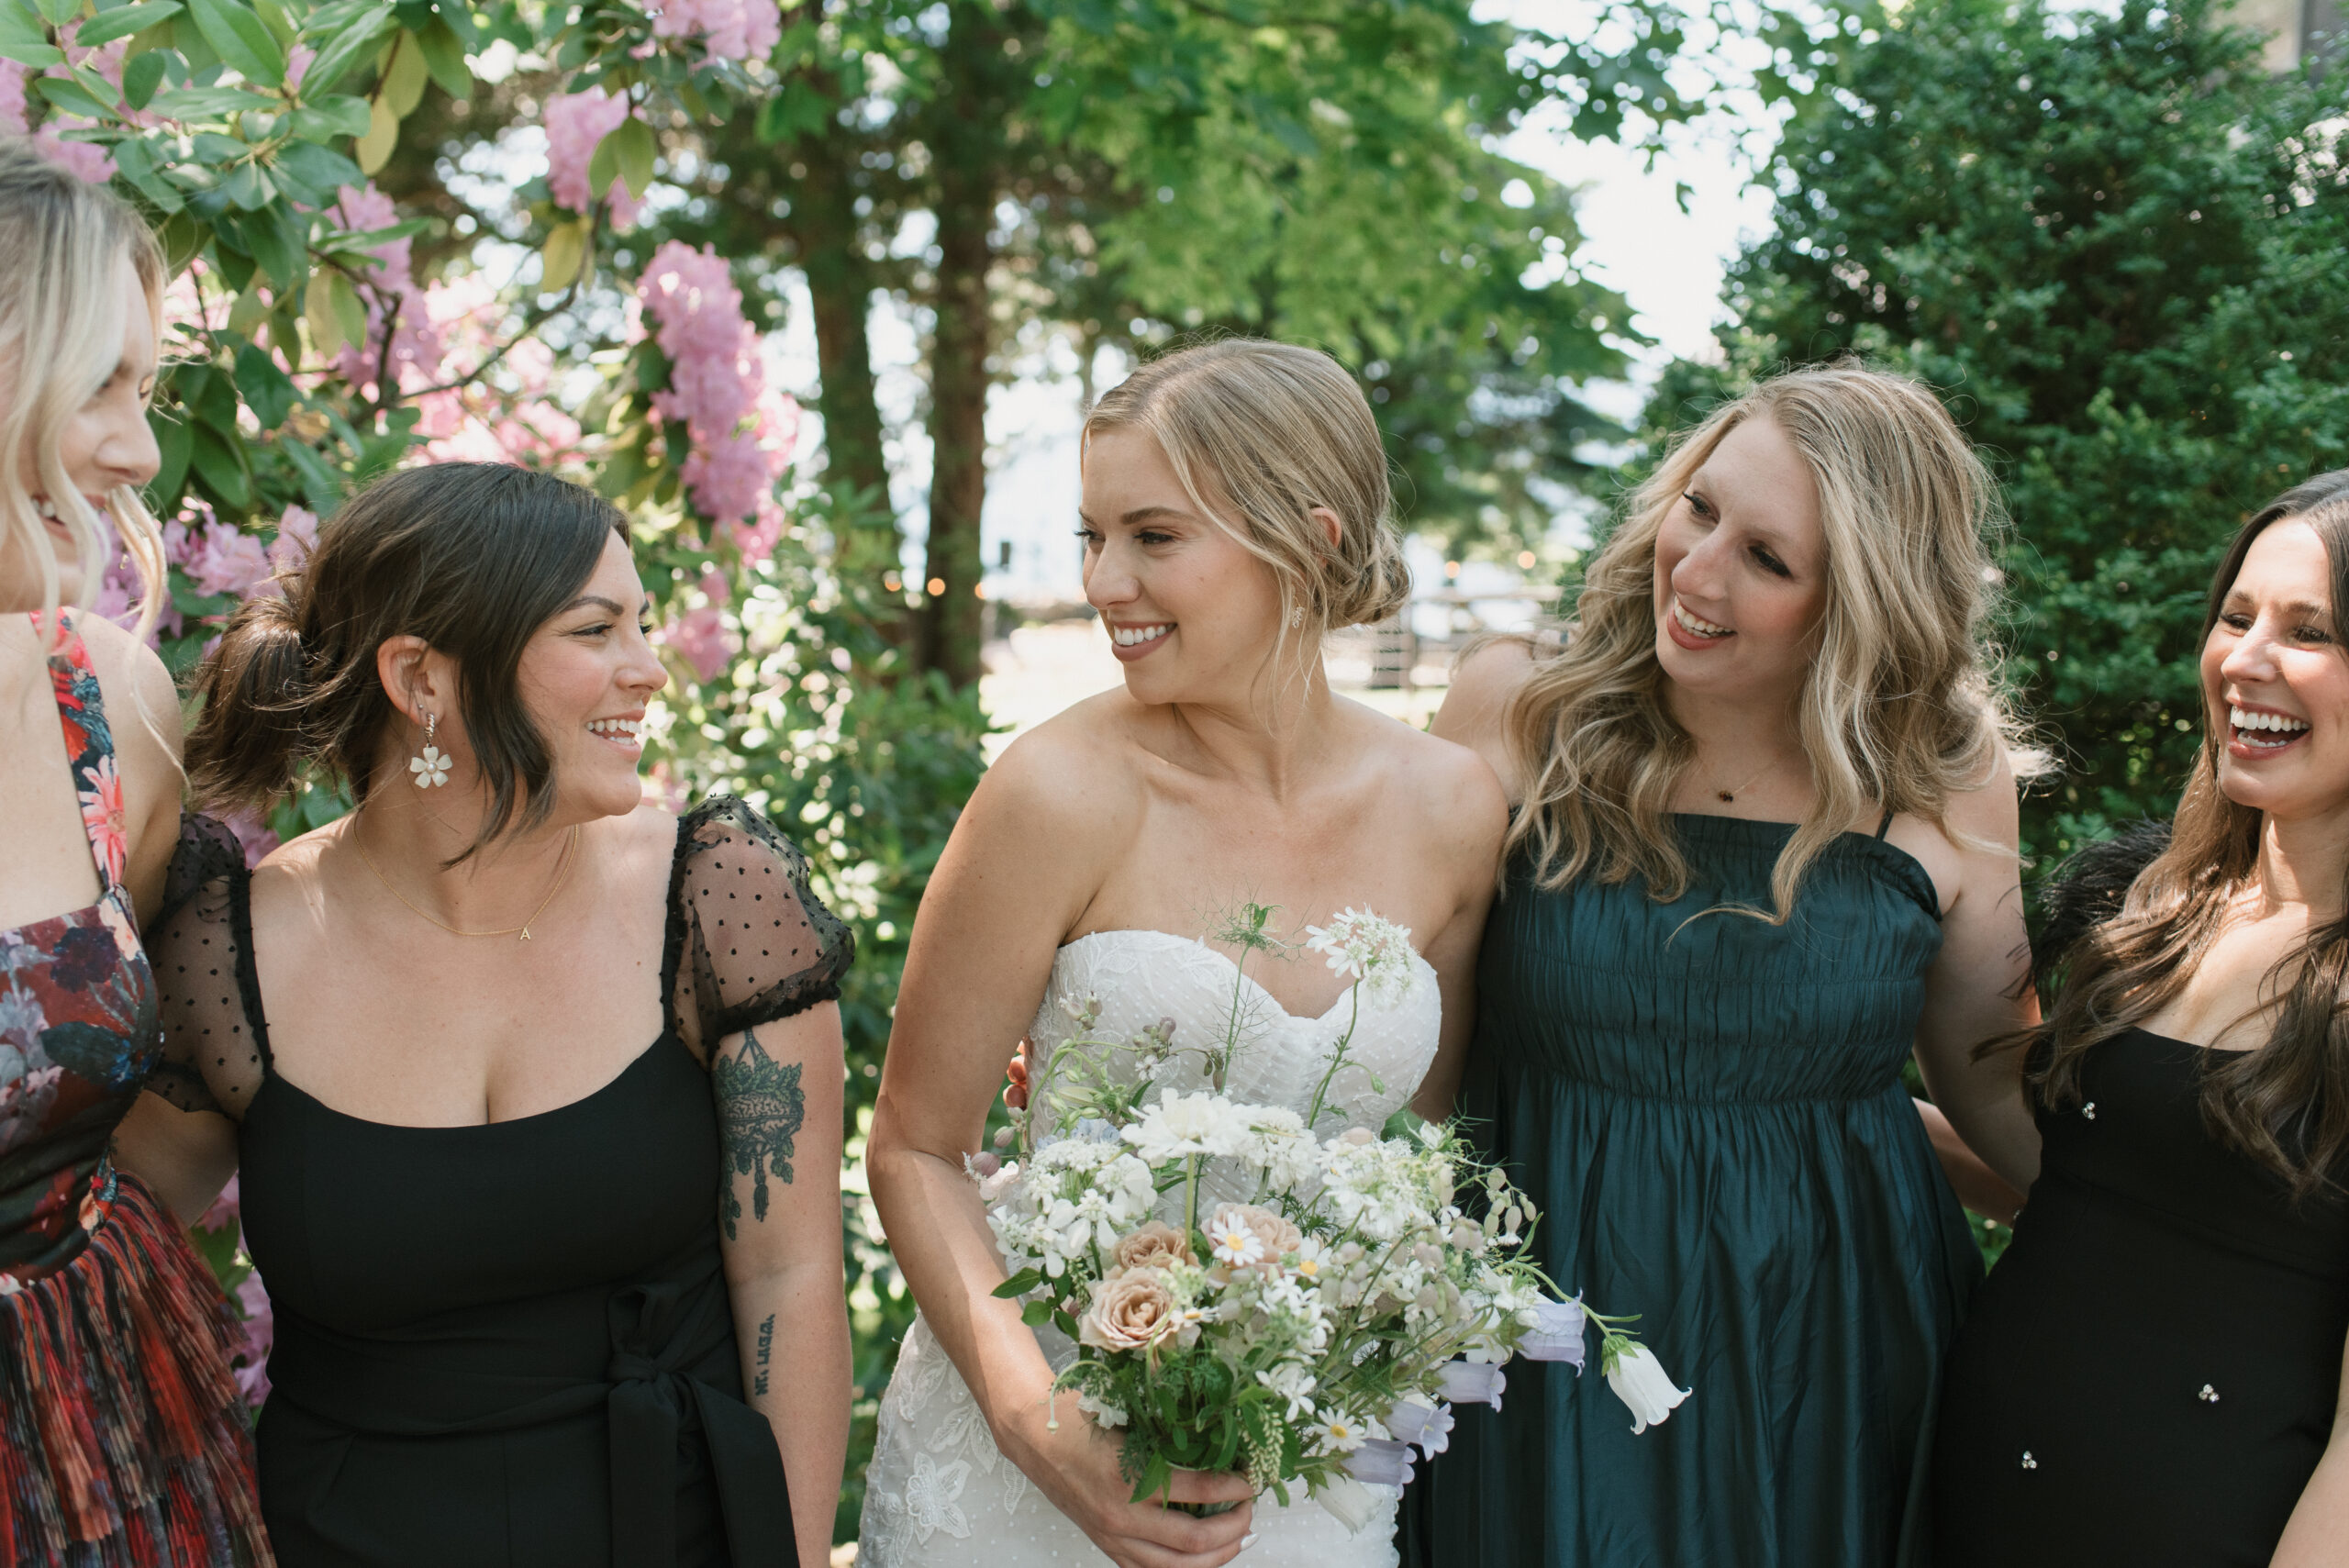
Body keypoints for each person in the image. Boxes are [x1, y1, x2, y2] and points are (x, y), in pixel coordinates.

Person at [111, 462, 851, 1568]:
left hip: (671, 1532)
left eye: (643, 626)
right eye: (596, 629)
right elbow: (116, 1267)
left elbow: (789, 1275)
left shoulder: (713, 901)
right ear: (421, 676)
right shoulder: (235, 956)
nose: (648, 671)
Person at [856, 339, 1508, 1568]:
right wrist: (1035, 1423)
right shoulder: (1057, 790)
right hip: (1035, 1458)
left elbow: (1431, 1138)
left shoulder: (1454, 811)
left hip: (1299, 1475)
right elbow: (914, 1144)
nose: (1105, 581)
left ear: (1308, 541)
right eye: (1091, 537)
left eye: (1154, 537)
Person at [1408, 363, 2043, 1567]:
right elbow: (1394, 1009)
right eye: (1699, 511)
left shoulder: (1945, 774)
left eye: (1767, 558)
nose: (1695, 575)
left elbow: (1999, 1086)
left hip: (1840, 1342)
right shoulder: (1522, 704)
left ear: (1862, 603)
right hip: (1545, 1323)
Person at [1932, 470, 2349, 1566]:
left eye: (2310, 631)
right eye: (2236, 614)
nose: (2247, 658)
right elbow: (2092, 1181)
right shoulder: (2143, 908)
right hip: (1975, 1498)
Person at [0, 139, 270, 1566]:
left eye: (145, 391)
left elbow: (168, 1099)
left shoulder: (105, 700)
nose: (141, 452)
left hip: (100, 1444)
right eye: (102, 383)